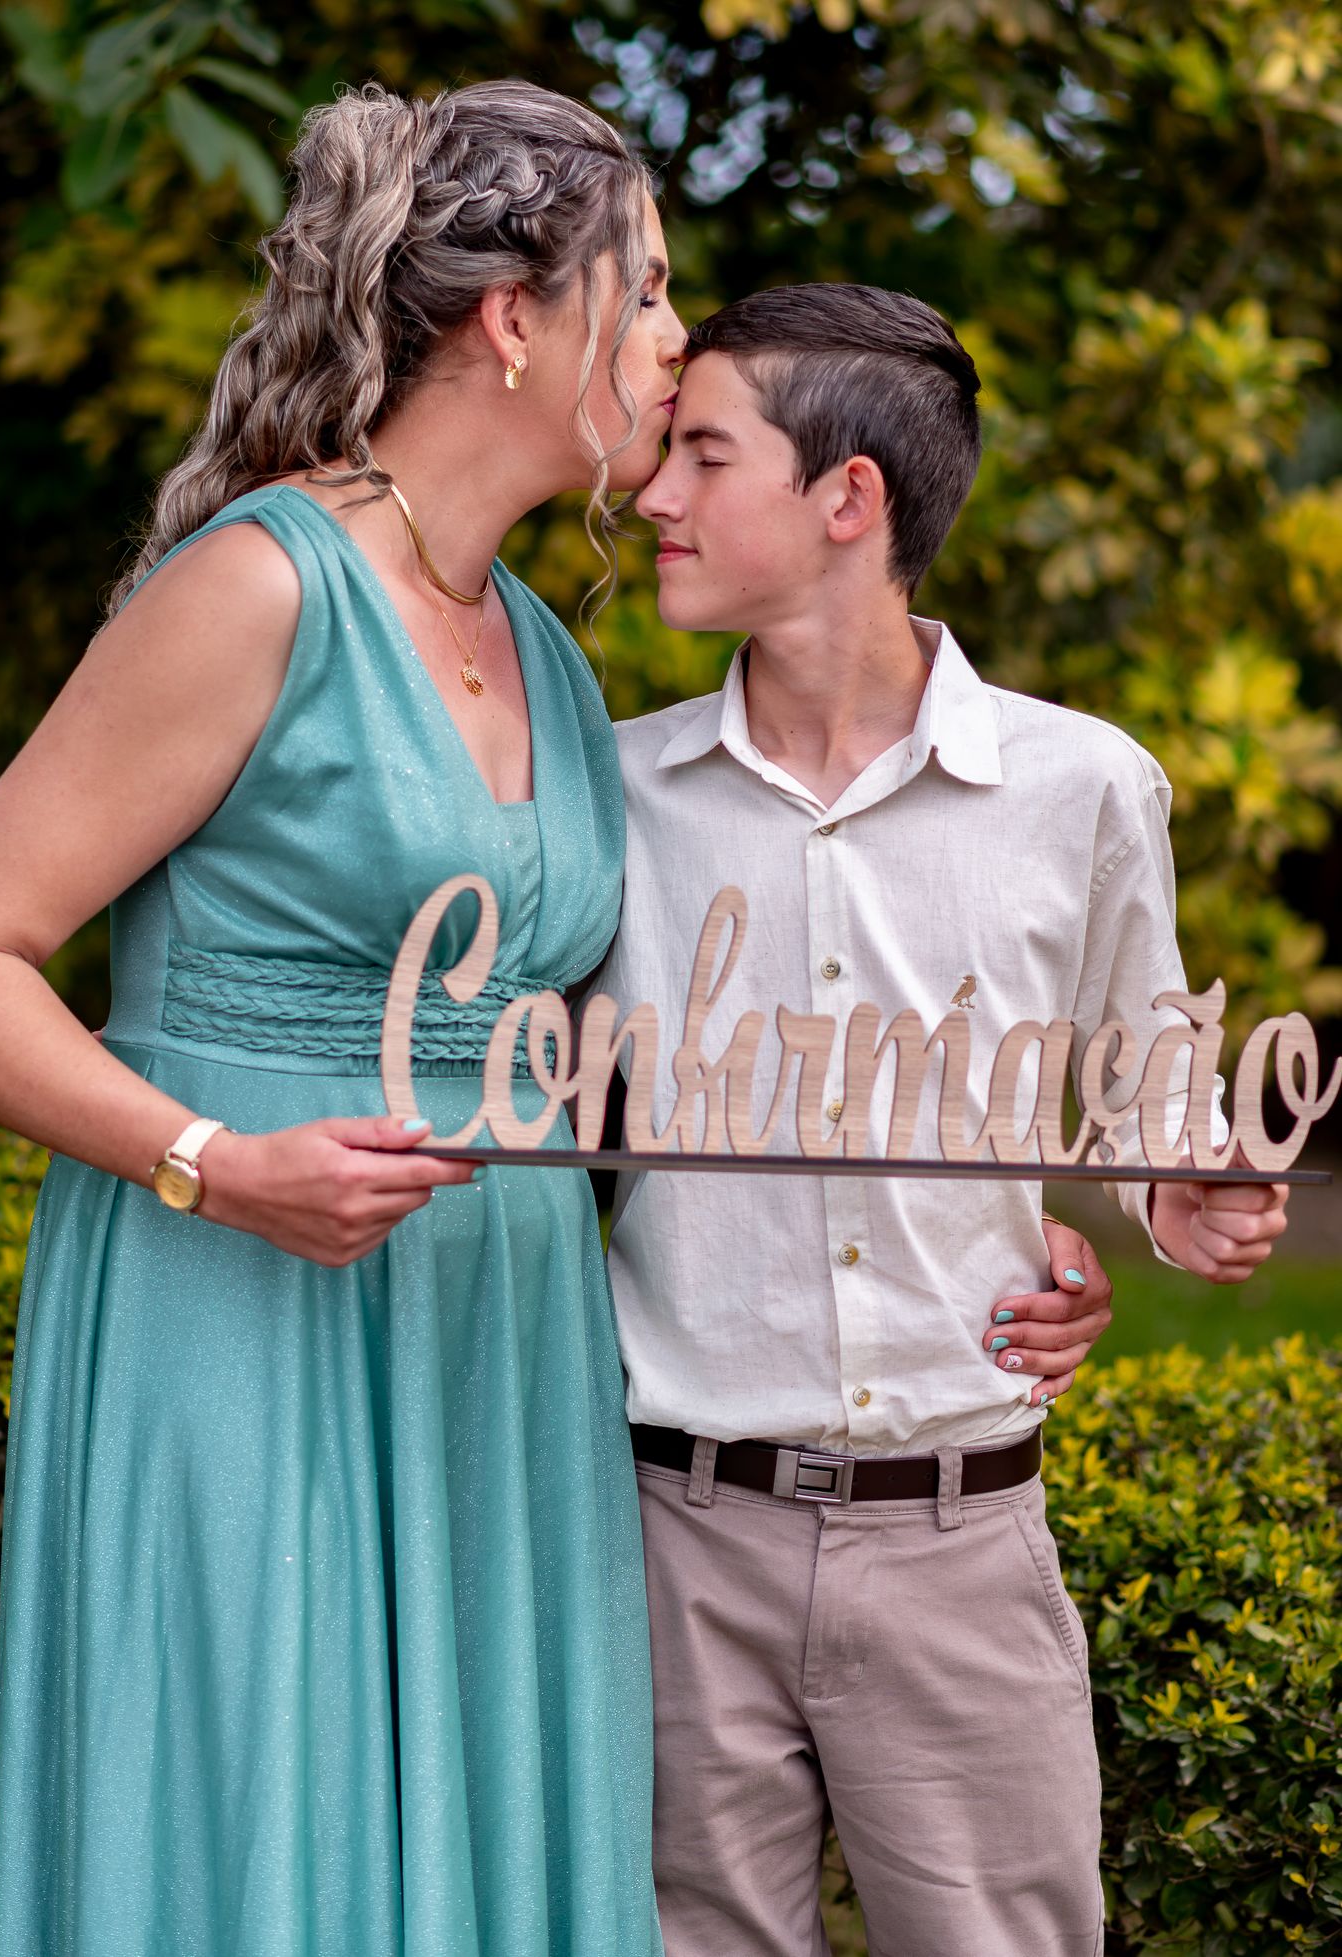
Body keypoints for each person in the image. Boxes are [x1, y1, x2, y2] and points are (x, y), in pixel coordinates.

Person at [0, 80, 689, 1957]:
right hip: (242, 1315)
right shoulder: (262, 585)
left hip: (498, 1346)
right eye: (653, 291)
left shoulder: (549, 649)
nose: (679, 342)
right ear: (514, 319)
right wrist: (210, 1161)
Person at [591, 284, 1291, 1956]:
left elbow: (1151, 1094)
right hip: (669, 1534)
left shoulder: (1086, 787)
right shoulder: (610, 795)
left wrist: (1175, 1199)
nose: (653, 494)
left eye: (704, 455)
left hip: (960, 1539)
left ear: (849, 497)